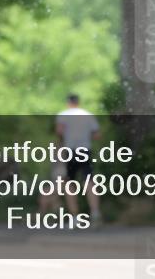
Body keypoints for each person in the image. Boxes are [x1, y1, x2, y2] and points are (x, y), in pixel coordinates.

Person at [55, 93, 102, 224]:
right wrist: (85, 137)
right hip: (85, 150)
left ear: (68, 103)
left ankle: (75, 216)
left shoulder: (63, 115)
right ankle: (95, 212)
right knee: (89, 180)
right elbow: (97, 135)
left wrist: (67, 139)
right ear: (78, 102)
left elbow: (59, 131)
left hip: (71, 150)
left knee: (70, 182)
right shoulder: (87, 115)